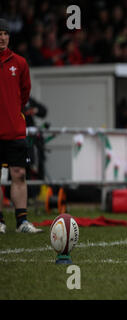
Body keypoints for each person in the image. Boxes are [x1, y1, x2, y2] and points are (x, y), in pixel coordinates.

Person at [0, 19, 42, 234]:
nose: (2, 37)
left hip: (15, 130)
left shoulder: (20, 63)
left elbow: (24, 94)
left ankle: (22, 222)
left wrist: (13, 113)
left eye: (5, 33)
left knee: (19, 174)